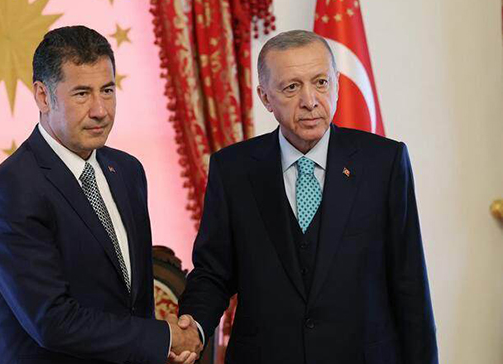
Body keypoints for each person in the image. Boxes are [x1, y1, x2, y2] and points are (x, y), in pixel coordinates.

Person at [176, 30, 438, 364]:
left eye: (321, 83)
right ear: (265, 97)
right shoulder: (233, 169)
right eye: (291, 87)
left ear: (337, 85)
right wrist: (194, 327)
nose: (310, 101)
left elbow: (409, 283)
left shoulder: (384, 163)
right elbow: (214, 272)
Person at [0, 25, 201, 364]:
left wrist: (156, 349)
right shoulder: (10, 190)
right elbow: (52, 321)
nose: (100, 110)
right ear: (43, 96)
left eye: (107, 90)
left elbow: (133, 302)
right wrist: (162, 337)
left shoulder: (127, 170)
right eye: (81, 94)